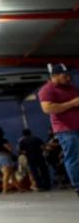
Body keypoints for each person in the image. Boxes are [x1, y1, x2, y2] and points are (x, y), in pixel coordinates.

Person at [38, 64, 79, 197]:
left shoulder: (71, 88)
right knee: (74, 158)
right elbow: (47, 109)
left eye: (68, 75)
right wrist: (72, 103)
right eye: (64, 75)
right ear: (54, 76)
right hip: (66, 130)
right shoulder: (47, 89)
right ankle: (78, 186)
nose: (68, 78)